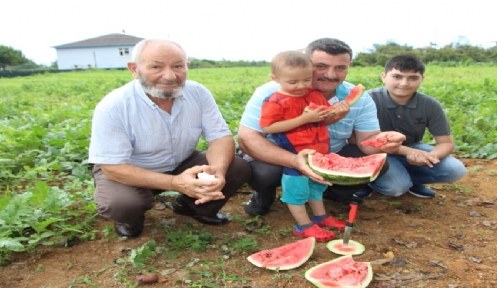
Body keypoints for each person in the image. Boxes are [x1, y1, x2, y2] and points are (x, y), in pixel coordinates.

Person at [88, 39, 251, 238]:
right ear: (134, 69)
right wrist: (176, 183)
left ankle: (190, 206)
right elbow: (113, 167)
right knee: (122, 204)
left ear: (186, 66)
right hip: (129, 170)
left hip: (181, 161)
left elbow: (219, 137)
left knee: (237, 167)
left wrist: (217, 173)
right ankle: (132, 217)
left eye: (177, 66)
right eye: (156, 66)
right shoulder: (114, 106)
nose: (170, 75)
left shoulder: (198, 93)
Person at [238, 38, 406, 216]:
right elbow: (247, 138)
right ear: (307, 64)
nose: (331, 75)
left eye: (340, 68)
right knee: (266, 173)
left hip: (327, 152)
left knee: (379, 163)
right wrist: (293, 160)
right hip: (283, 153)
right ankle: (264, 194)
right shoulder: (272, 93)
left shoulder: (361, 98)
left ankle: (331, 193)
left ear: (349, 66)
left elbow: (367, 141)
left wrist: (384, 140)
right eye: (321, 66)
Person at [259, 51, 348, 241]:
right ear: (275, 78)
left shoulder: (314, 94)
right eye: (293, 82)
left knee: (316, 188)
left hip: (319, 154)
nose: (301, 86)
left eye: (307, 80)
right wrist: (304, 118)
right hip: (295, 158)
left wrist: (338, 114)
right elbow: (268, 127)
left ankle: (320, 217)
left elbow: (323, 120)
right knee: (296, 192)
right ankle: (303, 226)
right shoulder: (274, 101)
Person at [356, 55, 467, 199]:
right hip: (372, 151)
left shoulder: (430, 105)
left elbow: (446, 142)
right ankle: (365, 182)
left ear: (422, 79)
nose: (404, 83)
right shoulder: (368, 99)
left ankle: (412, 181)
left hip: (413, 146)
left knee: (455, 170)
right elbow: (356, 139)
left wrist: (428, 157)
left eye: (413, 78)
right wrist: (408, 152)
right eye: (397, 76)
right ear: (384, 77)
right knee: (395, 188)